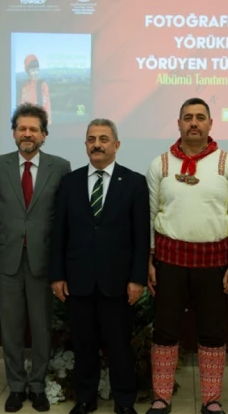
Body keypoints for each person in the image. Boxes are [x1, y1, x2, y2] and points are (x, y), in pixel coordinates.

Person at [145, 98, 228, 414]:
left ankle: (212, 400)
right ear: (178, 123)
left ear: (210, 123)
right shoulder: (160, 164)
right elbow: (149, 216)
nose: (194, 123)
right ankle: (161, 398)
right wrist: (148, 262)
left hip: (214, 264)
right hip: (168, 262)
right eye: (188, 117)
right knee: (165, 331)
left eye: (200, 117)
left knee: (212, 332)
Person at [49, 119, 148, 414]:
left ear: (116, 145)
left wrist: (137, 279)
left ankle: (124, 401)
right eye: (91, 139)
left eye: (103, 139)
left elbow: (141, 237)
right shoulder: (70, 182)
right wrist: (57, 276)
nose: (97, 144)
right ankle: (85, 399)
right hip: (78, 280)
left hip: (118, 283)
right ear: (85, 145)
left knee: (119, 345)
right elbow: (59, 233)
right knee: (83, 344)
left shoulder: (134, 182)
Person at [0, 103, 70, 412]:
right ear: (13, 133)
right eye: (22, 128)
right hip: (8, 259)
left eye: (34, 129)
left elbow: (63, 216)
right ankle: (16, 386)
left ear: (43, 135)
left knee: (41, 327)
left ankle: (37, 386)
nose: (27, 134)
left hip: (43, 260)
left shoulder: (60, 167)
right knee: (10, 327)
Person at [19, 54, 52, 123]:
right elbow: (21, 107)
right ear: (28, 71)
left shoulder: (42, 85)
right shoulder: (24, 86)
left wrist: (47, 124)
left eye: (37, 70)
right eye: (33, 70)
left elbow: (47, 108)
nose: (36, 73)